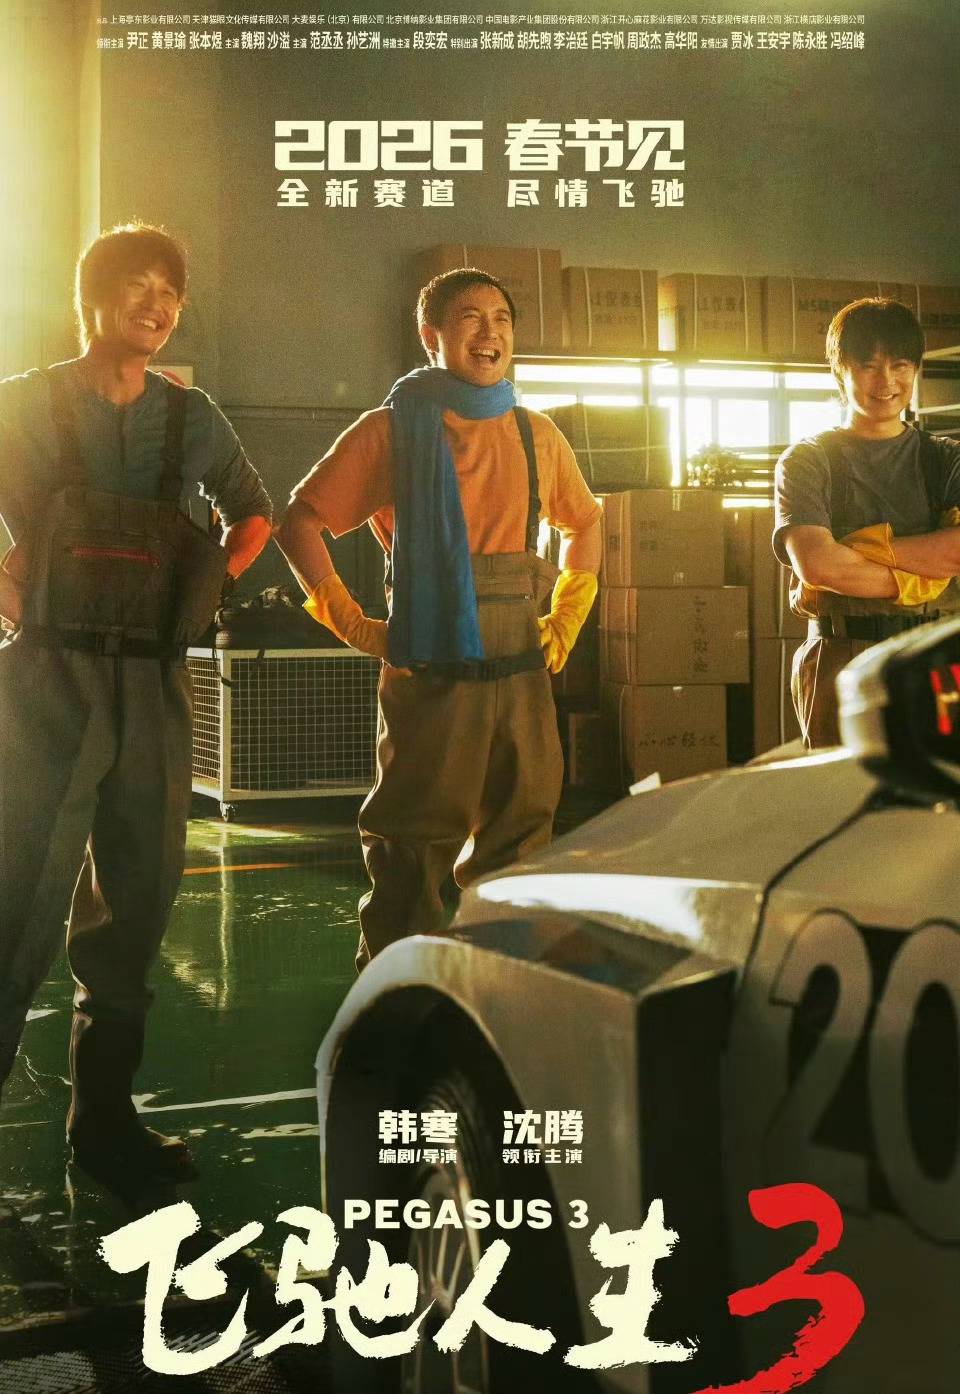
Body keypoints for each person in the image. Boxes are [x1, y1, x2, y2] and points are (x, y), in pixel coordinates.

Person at [0, 223, 273, 1194]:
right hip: (47, 684)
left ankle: (103, 1124)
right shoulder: (25, 402)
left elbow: (254, 509)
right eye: (138, 286)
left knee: (137, 902)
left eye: (170, 291)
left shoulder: (191, 417)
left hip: (153, 687)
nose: (156, 305)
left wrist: (210, 584)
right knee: (16, 904)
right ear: (94, 299)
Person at [277, 268, 601, 970]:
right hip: (430, 666)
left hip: (521, 666)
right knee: (413, 846)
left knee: (524, 839)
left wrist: (568, 613)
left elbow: (586, 523)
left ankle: (501, 988)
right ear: (432, 336)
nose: (490, 333)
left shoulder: (537, 435)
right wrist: (351, 621)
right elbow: (298, 523)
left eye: (502, 318)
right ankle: (395, 997)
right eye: (470, 318)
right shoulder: (393, 430)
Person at [774, 297, 960, 747]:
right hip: (842, 654)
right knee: (840, 786)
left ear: (915, 370)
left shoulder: (946, 459)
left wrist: (857, 549)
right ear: (841, 371)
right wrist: (924, 573)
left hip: (936, 655)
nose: (886, 381)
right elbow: (819, 566)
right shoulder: (807, 461)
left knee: (938, 784)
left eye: (900, 366)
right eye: (869, 366)